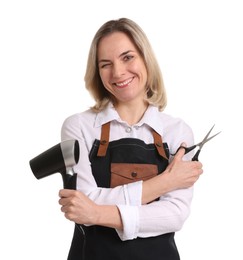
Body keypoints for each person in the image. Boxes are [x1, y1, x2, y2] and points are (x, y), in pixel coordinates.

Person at [58, 17, 203, 260]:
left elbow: (174, 214)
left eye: (127, 57)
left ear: (146, 58)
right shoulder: (78, 127)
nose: (118, 72)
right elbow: (83, 199)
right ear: (97, 72)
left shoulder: (178, 132)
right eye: (105, 64)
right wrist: (164, 183)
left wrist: (96, 214)